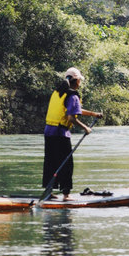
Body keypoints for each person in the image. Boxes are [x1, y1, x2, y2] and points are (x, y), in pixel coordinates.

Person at [42, 67, 103, 201]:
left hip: (49, 132)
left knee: (50, 162)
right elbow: (71, 118)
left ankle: (48, 192)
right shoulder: (73, 95)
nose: (80, 83)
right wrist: (85, 128)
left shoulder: (58, 92)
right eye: (79, 81)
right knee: (66, 164)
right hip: (60, 133)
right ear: (76, 81)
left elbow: (75, 109)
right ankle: (66, 195)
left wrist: (93, 114)